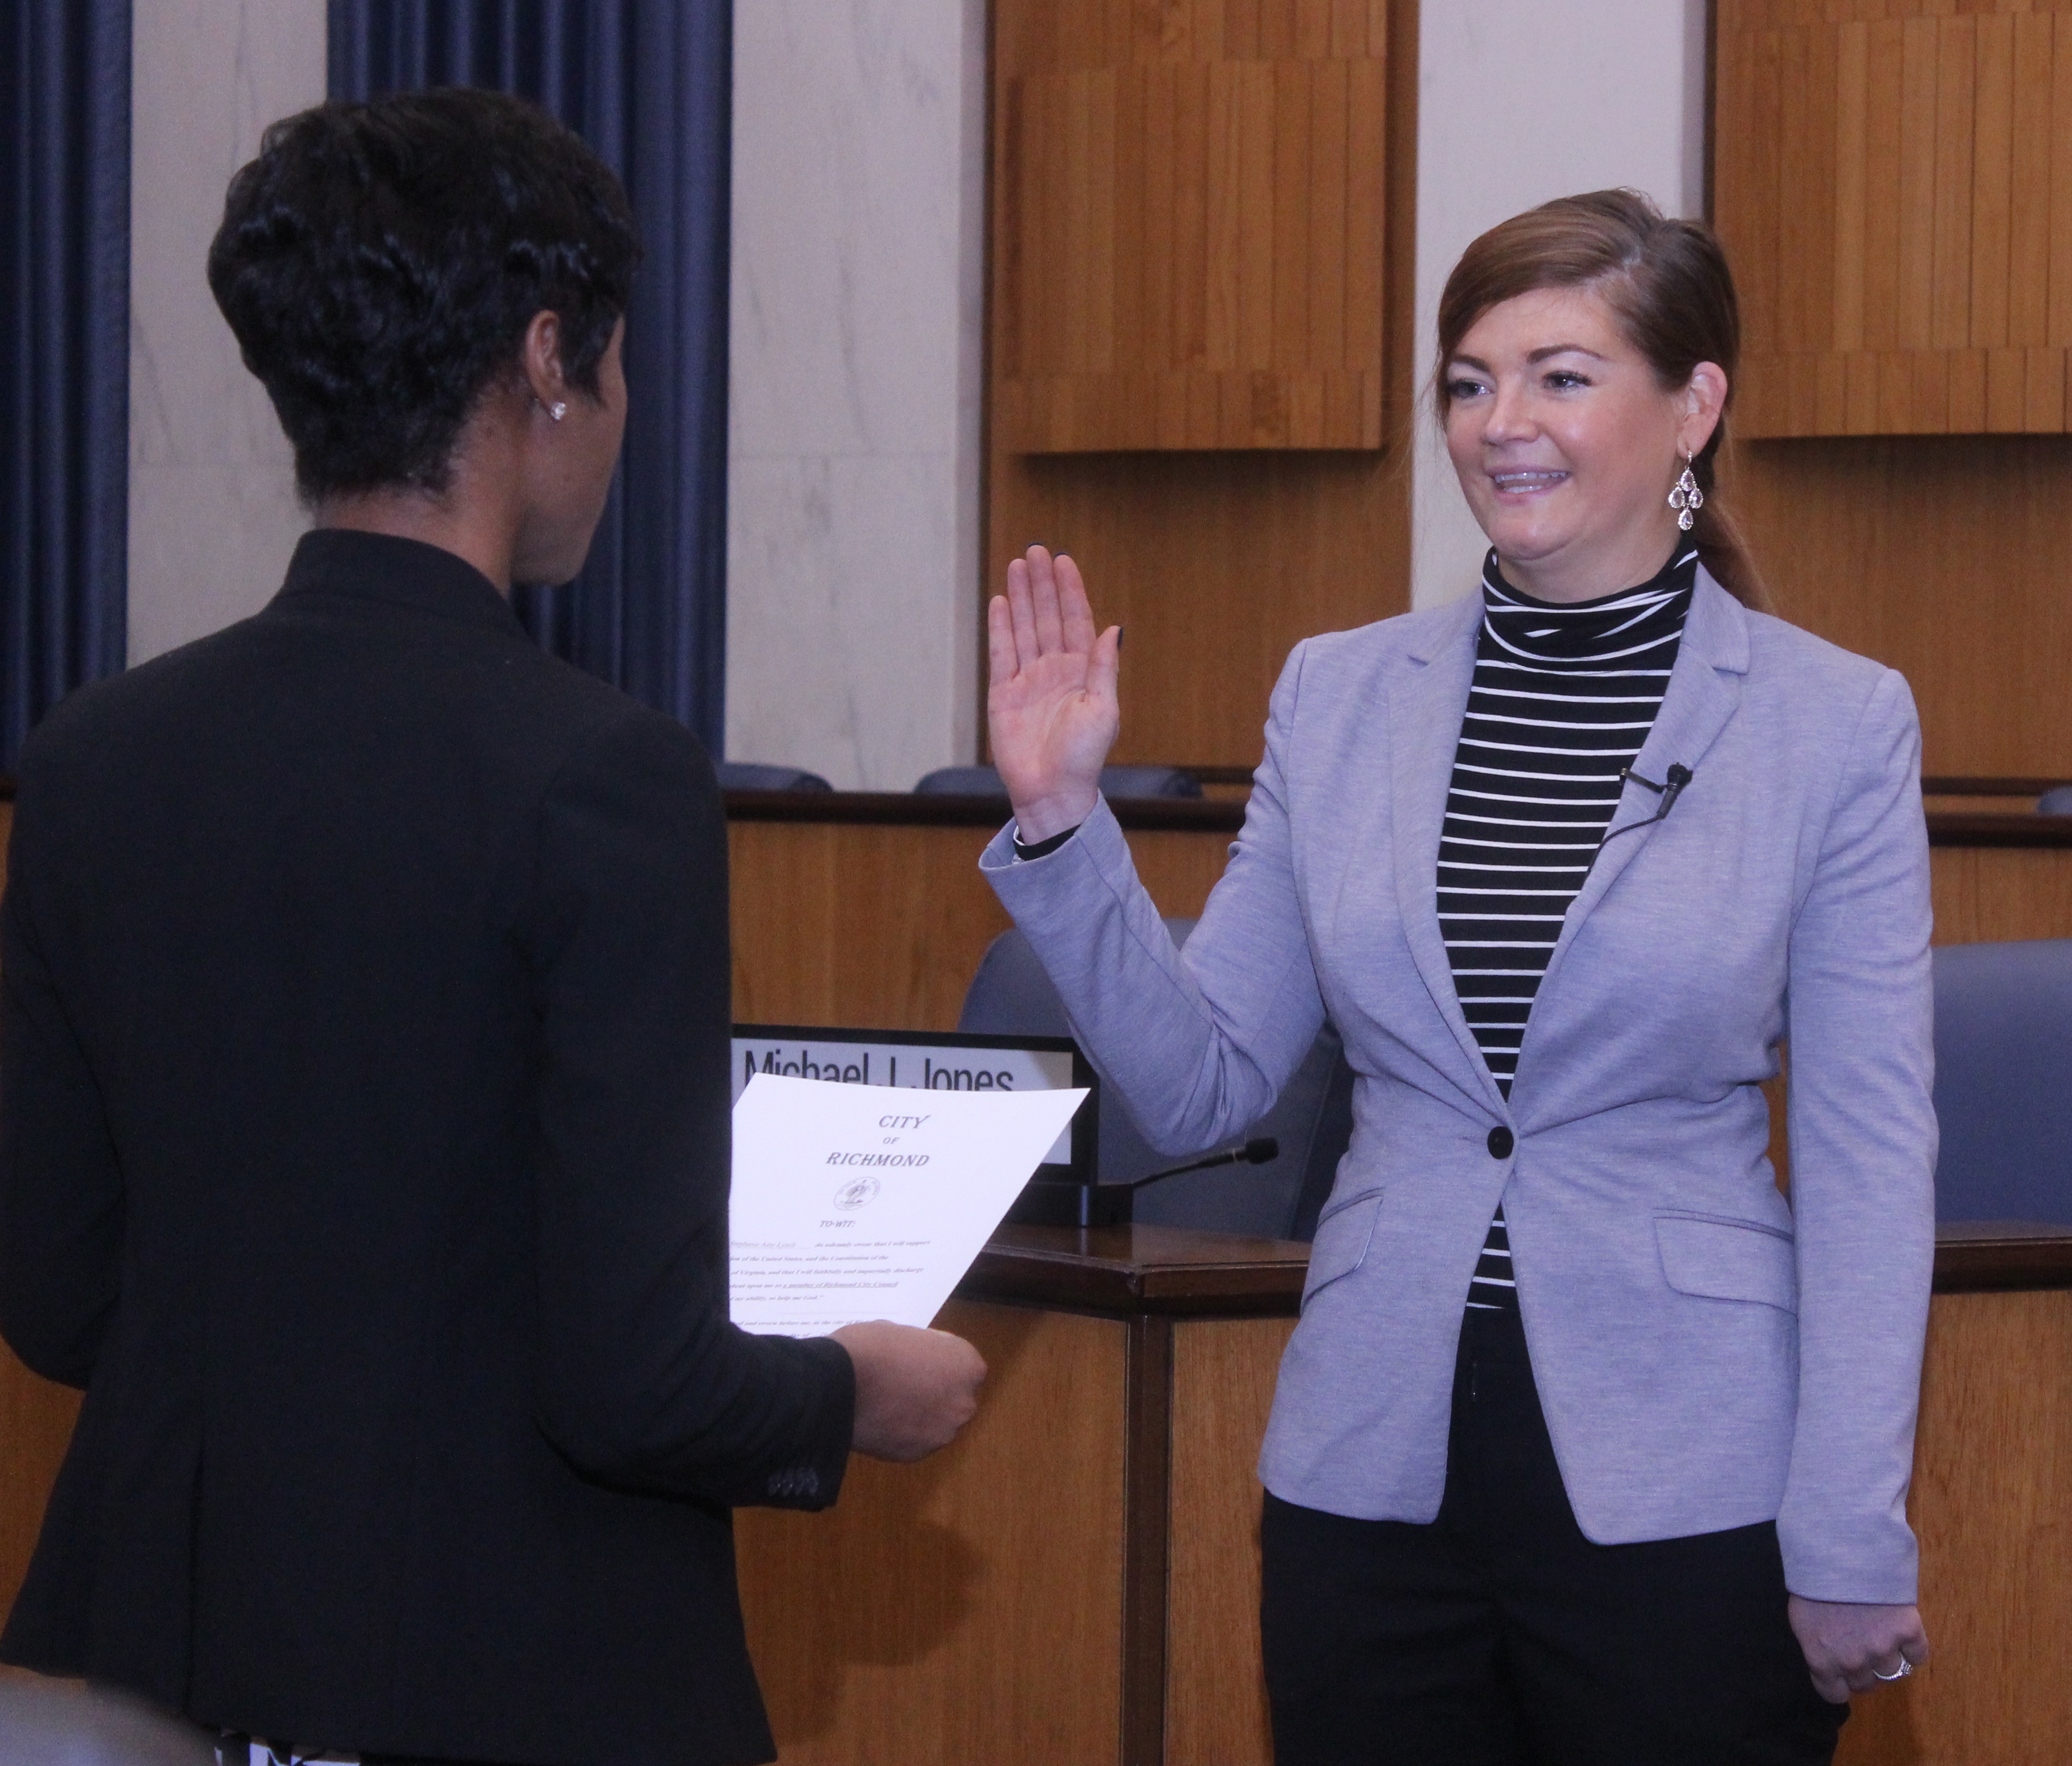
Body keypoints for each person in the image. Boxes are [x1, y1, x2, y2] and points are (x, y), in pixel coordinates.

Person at [0, 89, 985, 1766]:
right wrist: (852, 1397)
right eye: (619, 360)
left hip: (168, 1658)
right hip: (517, 1664)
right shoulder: (603, 777)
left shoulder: (91, 760)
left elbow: (59, 1294)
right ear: (549, 360)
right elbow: (634, 1379)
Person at [981, 190, 1934, 1765]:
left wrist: (1850, 1523)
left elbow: (1865, 1161)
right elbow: (1201, 1088)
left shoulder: (1832, 723)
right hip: (1372, 1478)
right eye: (1470, 382)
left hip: (1691, 1484)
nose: (1502, 425)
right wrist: (1060, 819)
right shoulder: (1338, 694)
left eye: (1561, 377)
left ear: (1693, 405)